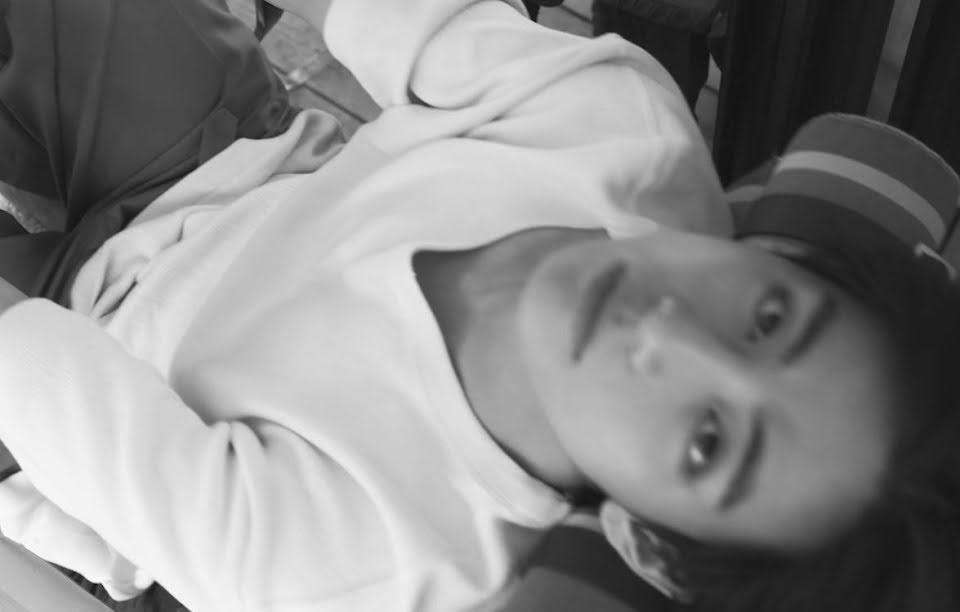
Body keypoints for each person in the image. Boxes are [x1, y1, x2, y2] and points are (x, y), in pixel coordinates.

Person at [0, 1, 956, 612]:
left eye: (708, 442)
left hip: (72, 378)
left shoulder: (368, 561)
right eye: (770, 319)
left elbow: (26, 363)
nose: (667, 331)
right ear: (787, 258)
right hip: (237, 161)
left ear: (645, 542)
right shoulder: (624, 134)